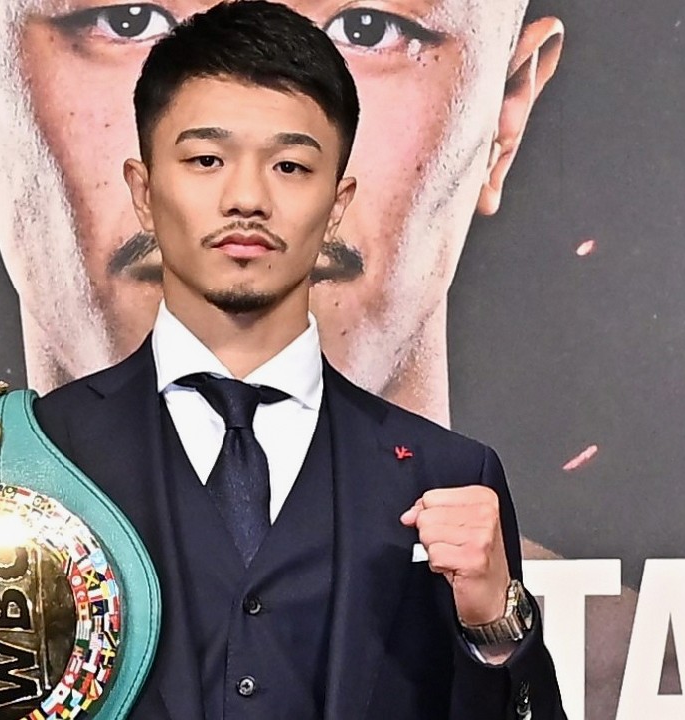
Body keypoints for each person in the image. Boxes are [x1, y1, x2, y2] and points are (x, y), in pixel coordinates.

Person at [34, 3, 563, 717]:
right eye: (206, 160)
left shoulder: (447, 475)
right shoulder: (42, 455)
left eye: (290, 165)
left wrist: (494, 624)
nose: (247, 199)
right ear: (144, 191)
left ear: (337, 202)